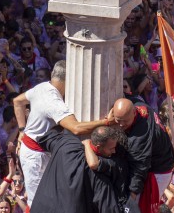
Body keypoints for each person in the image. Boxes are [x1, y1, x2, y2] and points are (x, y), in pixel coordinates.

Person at [13, 60, 113, 206]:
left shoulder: (42, 86)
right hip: (36, 157)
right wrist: (106, 122)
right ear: (71, 79)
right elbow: (76, 128)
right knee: (36, 202)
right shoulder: (53, 101)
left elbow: (17, 101)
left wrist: (22, 130)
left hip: (40, 151)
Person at [31, 126, 127, 213]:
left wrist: (73, 124)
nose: (113, 151)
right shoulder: (98, 176)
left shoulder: (66, 144)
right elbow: (108, 207)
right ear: (99, 147)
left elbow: (45, 138)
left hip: (41, 208)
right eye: (111, 149)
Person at [112, 98, 174, 207]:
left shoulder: (139, 136)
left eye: (125, 121)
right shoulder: (139, 104)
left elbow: (139, 167)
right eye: (118, 120)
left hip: (158, 173)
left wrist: (132, 194)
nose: (121, 125)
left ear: (133, 113)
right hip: (158, 164)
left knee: (140, 207)